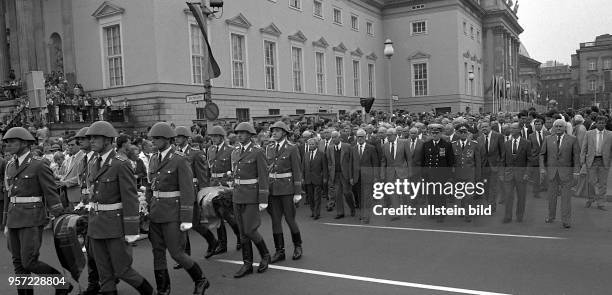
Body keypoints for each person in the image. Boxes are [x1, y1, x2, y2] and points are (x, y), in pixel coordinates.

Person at [85, 121, 154, 295]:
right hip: (96, 224)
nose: (91, 141)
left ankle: (148, 291)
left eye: (95, 137)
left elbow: (130, 199)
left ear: (108, 140)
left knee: (122, 269)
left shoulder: (121, 164)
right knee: (103, 271)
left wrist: (131, 230)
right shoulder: (94, 162)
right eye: (90, 138)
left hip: (114, 225)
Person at [2, 127, 72, 295]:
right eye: (7, 142)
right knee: (18, 262)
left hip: (32, 218)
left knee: (29, 261)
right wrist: (5, 222)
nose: (8, 145)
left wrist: (60, 219)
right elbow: (8, 195)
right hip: (13, 218)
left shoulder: (39, 164)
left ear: (25, 143)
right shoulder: (10, 165)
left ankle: (61, 284)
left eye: (12, 141)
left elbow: (51, 193)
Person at [147, 122, 209, 294]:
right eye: (153, 138)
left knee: (177, 253)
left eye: (158, 138)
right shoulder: (153, 158)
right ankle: (163, 289)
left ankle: (201, 279)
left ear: (168, 139)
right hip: (156, 212)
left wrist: (187, 218)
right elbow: (150, 185)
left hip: (173, 213)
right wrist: (147, 208)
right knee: (157, 253)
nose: (154, 141)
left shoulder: (179, 159)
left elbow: (188, 190)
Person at [174, 126, 220, 269]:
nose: (176, 139)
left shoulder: (196, 153)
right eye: (175, 137)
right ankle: (185, 256)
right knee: (182, 224)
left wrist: (204, 194)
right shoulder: (174, 153)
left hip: (193, 192)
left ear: (186, 138)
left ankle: (212, 241)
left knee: (194, 223)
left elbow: (202, 175)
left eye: (179, 136)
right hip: (179, 192)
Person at [231, 122, 271, 278]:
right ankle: (247, 263)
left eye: (243, 132)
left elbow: (263, 176)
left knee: (250, 230)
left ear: (250, 135)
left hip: (251, 196)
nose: (239, 135)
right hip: (237, 195)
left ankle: (265, 255)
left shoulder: (258, 152)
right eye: (238, 133)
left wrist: (263, 198)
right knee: (242, 232)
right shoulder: (235, 151)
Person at [265, 121, 304, 263]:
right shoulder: (268, 147)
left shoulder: (292, 148)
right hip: (272, 189)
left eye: (277, 131)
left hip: (287, 189)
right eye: (272, 131)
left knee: (289, 219)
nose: (273, 133)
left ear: (284, 133)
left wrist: (297, 192)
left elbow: (297, 171)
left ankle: (298, 246)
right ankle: (279, 251)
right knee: (275, 220)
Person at [540, 119, 581, 229]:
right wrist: (542, 169)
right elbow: (542, 155)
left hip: (566, 173)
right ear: (553, 127)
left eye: (560, 126)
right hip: (552, 173)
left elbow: (576, 157)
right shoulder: (548, 139)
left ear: (564, 128)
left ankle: (566, 220)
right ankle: (551, 216)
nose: (558, 128)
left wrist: (576, 172)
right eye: (556, 126)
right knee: (551, 197)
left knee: (566, 198)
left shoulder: (572, 139)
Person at [207, 126, 241, 253]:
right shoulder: (210, 149)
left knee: (228, 214)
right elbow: (209, 168)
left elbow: (234, 169)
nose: (213, 139)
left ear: (222, 137)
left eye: (216, 136)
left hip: (225, 184)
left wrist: (231, 182)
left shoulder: (231, 150)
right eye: (212, 136)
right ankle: (222, 244)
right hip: (214, 183)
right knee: (216, 215)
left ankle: (239, 236)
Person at [422, 124, 455, 223]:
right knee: (431, 194)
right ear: (430, 133)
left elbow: (450, 161)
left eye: (437, 133)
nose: (435, 135)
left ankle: (440, 213)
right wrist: (423, 173)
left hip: (441, 174)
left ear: (441, 133)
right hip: (430, 174)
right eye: (433, 133)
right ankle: (432, 212)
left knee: (440, 195)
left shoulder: (446, 145)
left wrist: (449, 175)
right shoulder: (426, 144)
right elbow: (423, 160)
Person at [580, 115, 611, 211]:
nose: (601, 124)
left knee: (603, 183)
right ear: (596, 123)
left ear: (605, 124)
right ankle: (590, 199)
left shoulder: (610, 134)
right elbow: (584, 148)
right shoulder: (589, 133)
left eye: (603, 122)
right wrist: (582, 159)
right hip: (592, 160)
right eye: (599, 122)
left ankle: (601, 203)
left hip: (604, 161)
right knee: (591, 182)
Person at [501, 123, 530, 223]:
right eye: (511, 128)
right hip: (509, 174)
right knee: (508, 196)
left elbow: (529, 160)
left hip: (522, 174)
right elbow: (503, 160)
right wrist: (502, 173)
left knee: (521, 197)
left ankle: (519, 216)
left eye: (514, 128)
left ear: (520, 130)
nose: (512, 130)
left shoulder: (526, 143)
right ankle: (508, 216)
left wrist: (527, 173)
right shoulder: (506, 144)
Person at [451, 123, 481, 223]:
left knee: (469, 195)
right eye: (461, 132)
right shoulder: (453, 145)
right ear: (457, 133)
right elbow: (452, 162)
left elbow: (478, 162)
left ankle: (468, 214)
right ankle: (462, 209)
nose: (463, 134)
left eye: (465, 132)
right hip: (458, 173)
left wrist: (478, 175)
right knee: (460, 194)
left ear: (468, 133)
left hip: (470, 173)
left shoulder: (474, 144)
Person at [350, 129, 379, 224]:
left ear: (365, 137)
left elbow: (375, 163)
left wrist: (375, 177)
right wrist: (351, 177)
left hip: (368, 177)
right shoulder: (353, 148)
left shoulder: (371, 148)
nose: (360, 138)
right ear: (356, 137)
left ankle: (366, 216)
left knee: (367, 197)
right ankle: (363, 214)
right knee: (360, 197)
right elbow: (351, 164)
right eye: (358, 137)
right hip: (357, 177)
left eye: (362, 136)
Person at [477, 120, 504, 213]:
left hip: (494, 167)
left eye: (486, 126)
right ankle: (489, 202)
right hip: (484, 168)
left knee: (493, 186)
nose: (484, 128)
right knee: (485, 187)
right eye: (482, 127)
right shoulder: (479, 139)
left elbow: (502, 152)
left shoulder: (498, 136)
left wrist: (501, 166)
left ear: (490, 127)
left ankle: (491, 206)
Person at [327, 130, 354, 219]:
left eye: (335, 137)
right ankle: (340, 212)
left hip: (345, 174)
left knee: (347, 193)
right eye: (332, 137)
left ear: (339, 138)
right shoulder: (330, 148)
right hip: (336, 174)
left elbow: (351, 161)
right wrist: (331, 172)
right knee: (338, 194)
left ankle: (352, 207)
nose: (334, 139)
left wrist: (351, 175)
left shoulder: (347, 146)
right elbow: (329, 162)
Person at [302, 137, 328, 220]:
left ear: (316, 145)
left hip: (317, 179)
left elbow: (325, 168)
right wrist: (302, 178)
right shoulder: (306, 154)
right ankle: (313, 211)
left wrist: (324, 178)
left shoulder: (321, 154)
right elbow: (303, 167)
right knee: (310, 197)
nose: (311, 146)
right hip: (308, 179)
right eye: (310, 144)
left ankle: (317, 213)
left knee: (317, 197)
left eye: (312, 144)